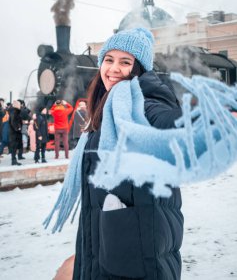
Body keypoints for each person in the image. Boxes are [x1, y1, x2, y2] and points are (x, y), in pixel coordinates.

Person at [50, 27, 184, 280]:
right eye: (109, 60)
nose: (113, 69)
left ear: (138, 69)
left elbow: (168, 121)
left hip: (134, 243)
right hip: (111, 234)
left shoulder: (143, 101)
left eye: (125, 62)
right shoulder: (105, 106)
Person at [9, 100, 23, 166]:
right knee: (14, 147)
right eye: (19, 104)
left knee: (14, 147)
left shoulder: (13, 111)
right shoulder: (15, 111)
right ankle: (13, 160)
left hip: (14, 132)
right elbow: (13, 121)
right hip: (14, 133)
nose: (20, 105)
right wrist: (18, 128)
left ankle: (14, 160)